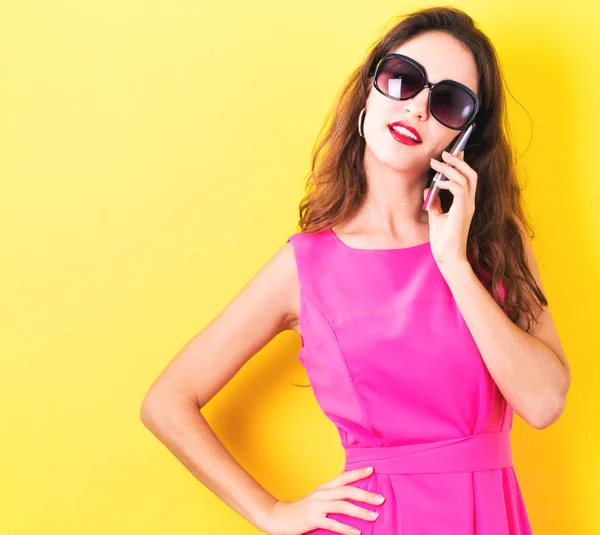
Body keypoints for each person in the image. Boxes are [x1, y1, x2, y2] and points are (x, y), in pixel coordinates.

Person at [140, 6, 571, 535]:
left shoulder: (496, 242)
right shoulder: (306, 267)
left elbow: (545, 403)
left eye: (448, 101)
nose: (416, 108)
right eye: (403, 79)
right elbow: (166, 403)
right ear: (370, 90)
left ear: (463, 137)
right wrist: (272, 512)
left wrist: (453, 262)